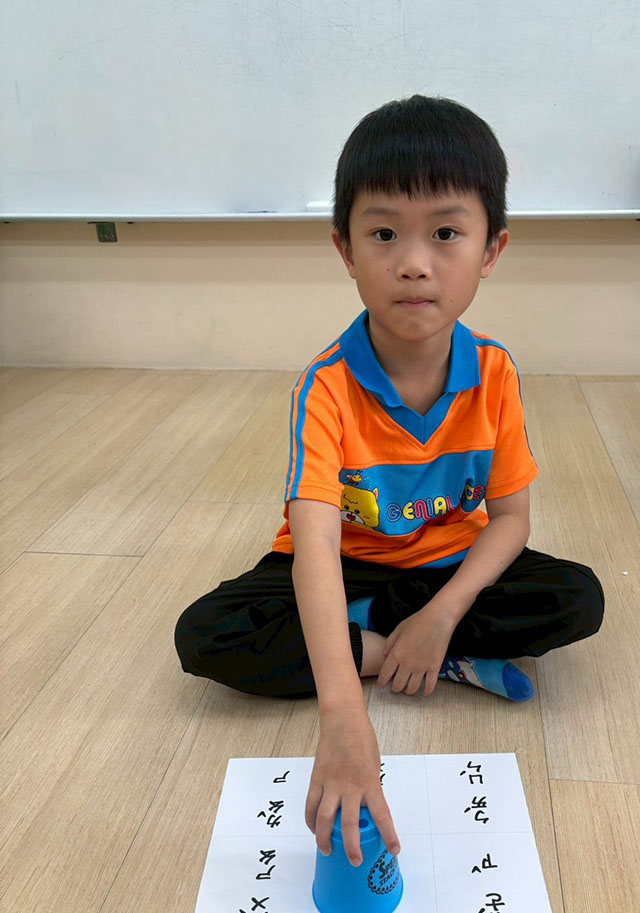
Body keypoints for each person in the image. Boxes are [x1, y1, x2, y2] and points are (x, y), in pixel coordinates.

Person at [174, 95, 604, 871]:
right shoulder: (326, 386)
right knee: (206, 636)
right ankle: (403, 654)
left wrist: (443, 611)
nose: (414, 262)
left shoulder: (495, 373)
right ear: (345, 249)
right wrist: (344, 715)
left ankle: (409, 639)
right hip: (346, 565)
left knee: (577, 598)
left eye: (445, 233)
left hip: (442, 564)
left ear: (492, 249)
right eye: (383, 234)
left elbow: (510, 520)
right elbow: (313, 548)